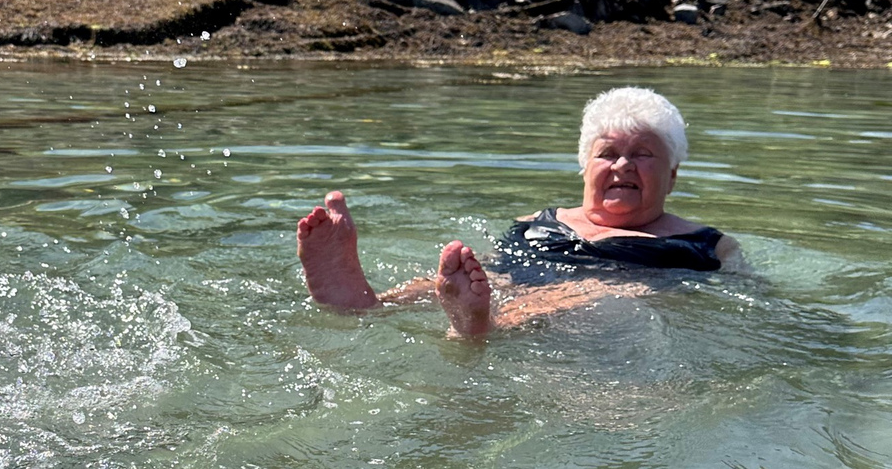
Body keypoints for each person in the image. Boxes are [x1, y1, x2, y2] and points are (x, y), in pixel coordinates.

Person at [296, 87, 741, 337]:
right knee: (483, 276)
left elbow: (741, 300)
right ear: (585, 166)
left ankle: (480, 324)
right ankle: (362, 300)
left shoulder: (705, 244)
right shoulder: (539, 220)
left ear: (673, 175)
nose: (623, 165)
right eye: (608, 154)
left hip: (631, 283)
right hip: (528, 269)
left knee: (602, 291)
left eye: (643, 154)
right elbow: (488, 268)